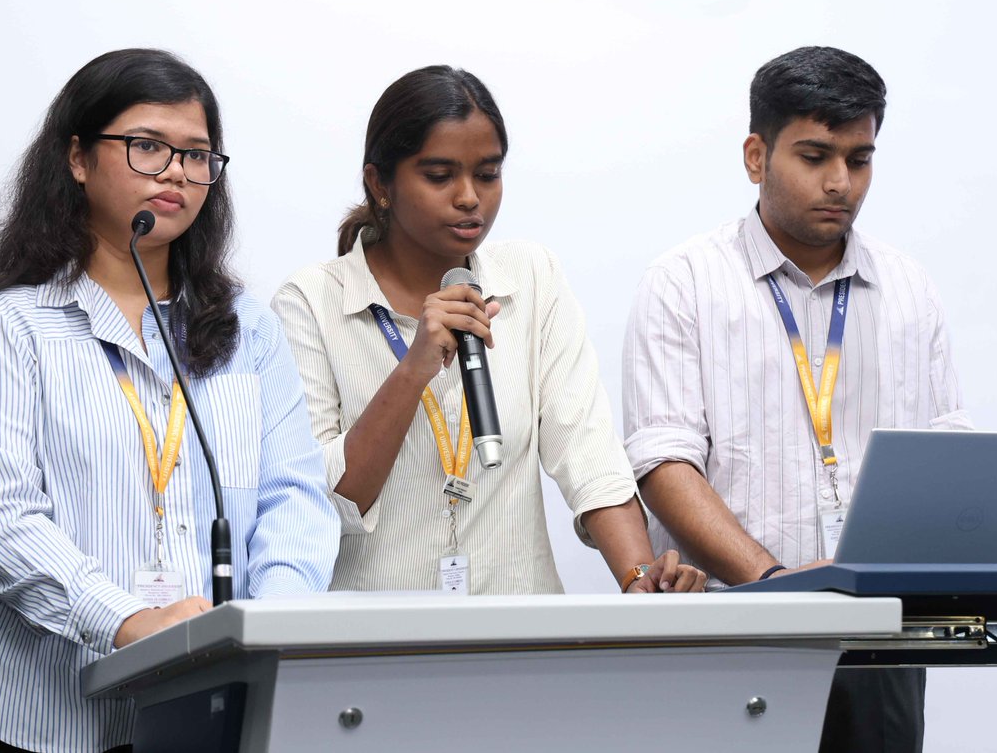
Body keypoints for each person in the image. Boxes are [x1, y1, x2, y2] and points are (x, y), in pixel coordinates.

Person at [0, 48, 340, 753]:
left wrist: (266, 632)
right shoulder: (8, 323)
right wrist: (127, 621)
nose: (176, 172)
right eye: (147, 146)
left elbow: (294, 496)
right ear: (78, 157)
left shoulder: (248, 328)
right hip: (35, 709)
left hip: (204, 701)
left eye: (196, 154)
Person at [622, 46, 971, 752]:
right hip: (730, 632)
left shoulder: (908, 288)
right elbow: (663, 464)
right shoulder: (684, 283)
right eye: (814, 157)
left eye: (859, 159)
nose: (840, 182)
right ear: (756, 156)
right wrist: (775, 582)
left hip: (880, 642)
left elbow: (943, 456)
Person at [272, 65, 703, 595]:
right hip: (376, 634)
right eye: (439, 176)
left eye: (488, 174)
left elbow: (588, 454)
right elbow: (320, 504)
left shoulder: (532, 277)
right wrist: (412, 371)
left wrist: (638, 576)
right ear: (380, 183)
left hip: (519, 629)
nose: (469, 197)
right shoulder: (311, 302)